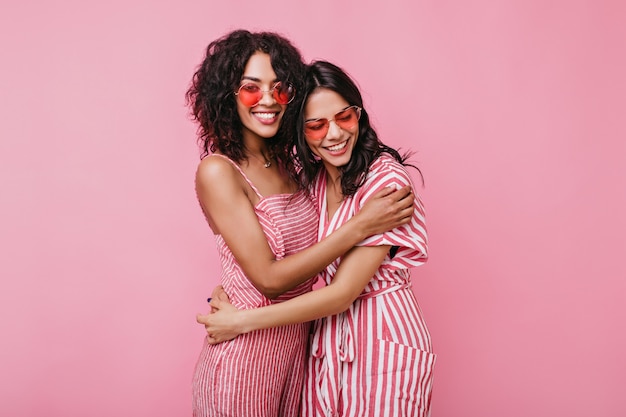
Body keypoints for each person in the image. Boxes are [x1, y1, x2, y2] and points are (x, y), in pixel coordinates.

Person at [186, 30, 415, 417]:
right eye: (250, 88)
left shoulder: (293, 167)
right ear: (226, 96)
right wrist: (360, 227)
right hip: (244, 356)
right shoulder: (217, 171)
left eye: (279, 89)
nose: (268, 101)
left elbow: (302, 255)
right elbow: (269, 279)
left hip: (299, 356)